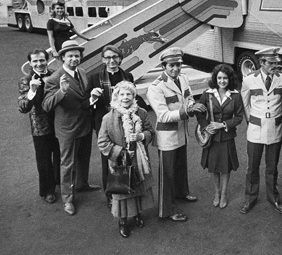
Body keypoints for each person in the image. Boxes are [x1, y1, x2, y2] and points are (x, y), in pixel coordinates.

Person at [42, 40, 101, 216]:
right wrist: (61, 91)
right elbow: (46, 105)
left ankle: (82, 184)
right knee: (67, 164)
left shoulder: (82, 72)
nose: (74, 59)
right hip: (67, 128)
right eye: (70, 56)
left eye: (77, 55)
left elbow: (83, 97)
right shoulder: (54, 79)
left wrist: (92, 98)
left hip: (84, 123)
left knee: (84, 157)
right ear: (62, 58)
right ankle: (67, 198)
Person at [147, 47, 206, 222]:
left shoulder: (183, 78)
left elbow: (189, 98)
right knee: (167, 174)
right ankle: (167, 210)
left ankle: (181, 193)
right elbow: (163, 115)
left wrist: (192, 105)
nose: (175, 69)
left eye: (178, 65)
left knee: (180, 166)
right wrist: (188, 111)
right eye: (171, 65)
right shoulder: (155, 88)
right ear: (164, 66)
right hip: (167, 136)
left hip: (181, 132)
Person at [97, 81, 155, 238]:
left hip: (139, 159)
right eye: (121, 94)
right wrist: (120, 152)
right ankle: (122, 221)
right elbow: (102, 142)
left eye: (128, 94)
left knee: (138, 188)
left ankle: (137, 214)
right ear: (116, 96)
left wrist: (142, 136)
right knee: (123, 191)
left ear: (134, 96)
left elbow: (150, 131)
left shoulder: (141, 113)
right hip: (120, 162)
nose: (125, 97)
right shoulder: (108, 118)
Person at [240, 47, 282, 215]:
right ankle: (250, 198)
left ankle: (273, 197)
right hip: (255, 129)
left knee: (272, 167)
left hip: (274, 128)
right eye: (271, 63)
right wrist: (251, 120)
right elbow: (245, 102)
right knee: (252, 167)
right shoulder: (249, 80)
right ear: (261, 62)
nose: (274, 66)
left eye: (276, 62)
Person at [85, 45, 134, 208]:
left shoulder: (128, 76)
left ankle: (126, 187)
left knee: (127, 154)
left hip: (125, 121)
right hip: (104, 122)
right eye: (107, 58)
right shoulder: (94, 78)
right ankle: (110, 195)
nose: (111, 61)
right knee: (108, 157)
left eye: (115, 57)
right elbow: (85, 104)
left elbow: (133, 98)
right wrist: (92, 98)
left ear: (120, 58)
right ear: (103, 60)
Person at [196, 64, 243, 209]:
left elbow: (239, 117)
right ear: (215, 79)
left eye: (225, 78)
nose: (222, 81)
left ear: (230, 79)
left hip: (227, 136)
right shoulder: (207, 94)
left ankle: (224, 194)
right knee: (214, 167)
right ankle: (216, 193)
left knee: (225, 168)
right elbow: (199, 112)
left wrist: (222, 124)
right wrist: (206, 127)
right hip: (212, 137)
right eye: (219, 78)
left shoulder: (235, 95)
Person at [18, 49, 60, 204]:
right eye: (35, 61)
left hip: (58, 122)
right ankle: (48, 190)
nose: (39, 64)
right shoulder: (25, 80)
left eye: (42, 60)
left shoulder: (55, 74)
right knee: (43, 160)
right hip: (40, 126)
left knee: (60, 154)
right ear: (30, 63)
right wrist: (32, 91)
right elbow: (23, 108)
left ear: (47, 60)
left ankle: (58, 180)